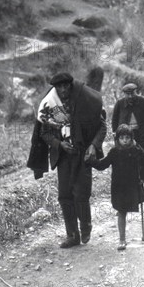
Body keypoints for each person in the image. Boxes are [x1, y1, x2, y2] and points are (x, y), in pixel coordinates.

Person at [32, 72, 107, 248]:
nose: (64, 90)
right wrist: (59, 144)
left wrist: (93, 146)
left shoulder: (84, 101)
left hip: (83, 154)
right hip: (64, 156)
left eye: (67, 86)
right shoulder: (49, 105)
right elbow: (44, 133)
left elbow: (102, 126)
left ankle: (86, 225)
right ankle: (72, 235)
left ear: (71, 86)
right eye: (60, 87)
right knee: (65, 195)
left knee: (81, 193)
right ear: (55, 88)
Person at [89, 124, 144, 251]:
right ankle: (122, 239)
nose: (125, 140)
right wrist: (92, 161)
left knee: (127, 210)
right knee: (121, 212)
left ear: (131, 138)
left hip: (133, 185)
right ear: (118, 139)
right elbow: (103, 164)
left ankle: (125, 237)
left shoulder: (136, 150)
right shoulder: (114, 152)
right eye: (122, 138)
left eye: (127, 138)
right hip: (119, 187)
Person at [111, 83, 144, 188]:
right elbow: (114, 120)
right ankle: (130, 180)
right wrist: (115, 133)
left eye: (132, 93)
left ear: (136, 92)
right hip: (126, 135)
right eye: (127, 94)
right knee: (127, 156)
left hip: (143, 133)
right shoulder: (119, 104)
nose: (130, 96)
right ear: (124, 94)